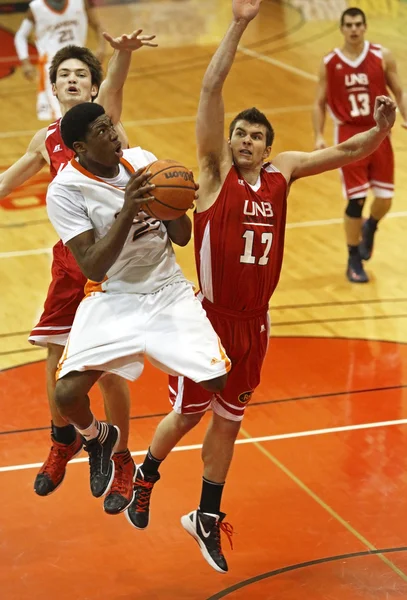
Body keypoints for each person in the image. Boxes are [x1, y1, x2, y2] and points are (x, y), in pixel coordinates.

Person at [123, 0, 397, 575]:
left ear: (268, 147)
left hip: (257, 324)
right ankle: (145, 471)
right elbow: (209, 89)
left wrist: (382, 129)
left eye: (255, 136)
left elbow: (349, 151)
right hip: (209, 321)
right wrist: (240, 22)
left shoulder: (284, 171)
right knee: (190, 414)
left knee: (229, 419)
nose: (246, 141)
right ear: (229, 141)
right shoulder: (212, 172)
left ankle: (205, 516)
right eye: (239, 134)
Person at [44, 101, 231, 516]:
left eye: (110, 125)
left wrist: (174, 203)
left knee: (217, 380)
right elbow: (92, 264)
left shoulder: (142, 161)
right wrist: (130, 208)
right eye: (101, 130)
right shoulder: (65, 190)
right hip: (113, 295)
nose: (113, 134)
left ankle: (147, 460)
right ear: (79, 146)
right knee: (67, 395)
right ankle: (96, 437)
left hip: (166, 289)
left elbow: (181, 237)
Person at [0, 30, 157, 515]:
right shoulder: (47, 139)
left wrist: (123, 55)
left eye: (80, 75)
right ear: (54, 87)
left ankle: (124, 458)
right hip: (71, 264)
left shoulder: (105, 122)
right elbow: (13, 176)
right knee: (54, 354)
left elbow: (114, 86)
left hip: (110, 266)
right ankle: (64, 439)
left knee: (107, 371)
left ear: (92, 88)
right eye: (63, 74)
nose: (71, 80)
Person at [312, 6, 407, 283]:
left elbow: (399, 90)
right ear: (341, 29)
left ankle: (372, 226)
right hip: (349, 135)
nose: (353, 29)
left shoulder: (381, 56)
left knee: (386, 199)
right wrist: (318, 135)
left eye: (358, 24)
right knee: (357, 199)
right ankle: (353, 257)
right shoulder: (330, 61)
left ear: (365, 27)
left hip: (380, 131)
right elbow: (318, 102)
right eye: (349, 25)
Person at [14, 0, 106, 121]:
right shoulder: (36, 8)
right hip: (53, 67)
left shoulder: (79, 2)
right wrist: (25, 62)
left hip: (80, 62)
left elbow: (98, 25)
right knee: (62, 115)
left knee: (89, 111)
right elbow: (20, 36)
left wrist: (101, 48)